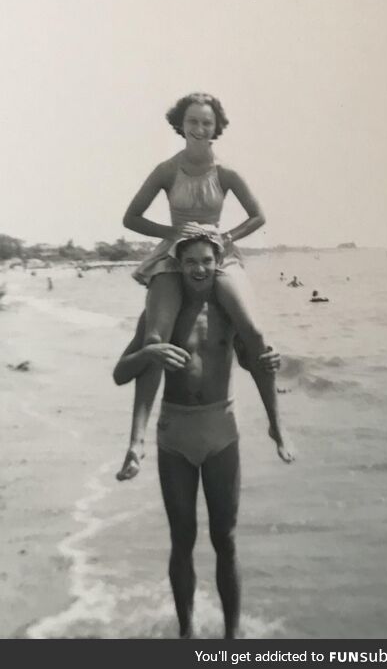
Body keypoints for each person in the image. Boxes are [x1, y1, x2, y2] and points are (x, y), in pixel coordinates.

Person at [113, 235, 294, 639]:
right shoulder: (160, 314)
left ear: (218, 264)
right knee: (182, 539)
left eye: (206, 261)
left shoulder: (228, 310)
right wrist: (148, 354)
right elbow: (120, 373)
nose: (198, 269)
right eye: (190, 261)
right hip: (175, 433)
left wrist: (270, 360)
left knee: (225, 540)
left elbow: (254, 361)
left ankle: (231, 638)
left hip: (220, 431)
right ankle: (187, 634)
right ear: (178, 265)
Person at [117, 92, 276, 481]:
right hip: (175, 254)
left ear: (216, 127)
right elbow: (131, 217)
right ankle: (136, 442)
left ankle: (276, 422)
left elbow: (258, 216)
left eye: (207, 122)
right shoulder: (166, 170)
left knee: (254, 331)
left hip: (216, 253)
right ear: (181, 124)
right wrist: (171, 230)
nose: (200, 128)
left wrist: (228, 237)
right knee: (155, 338)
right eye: (193, 121)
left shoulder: (226, 172)